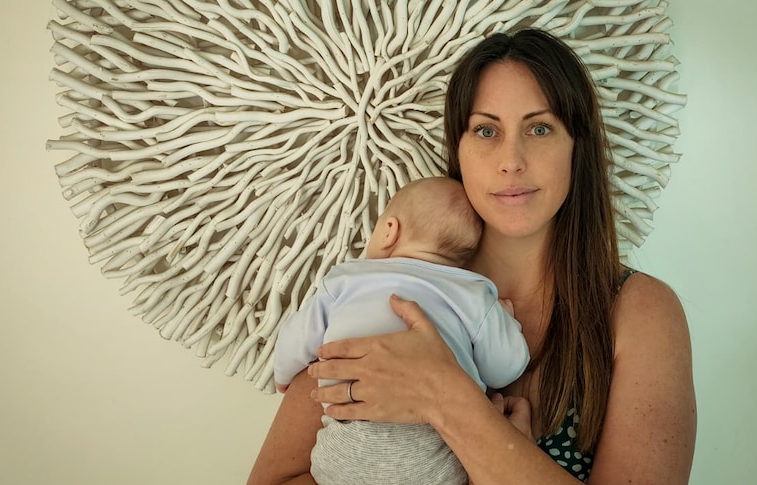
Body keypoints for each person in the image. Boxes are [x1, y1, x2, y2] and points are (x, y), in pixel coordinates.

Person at [249, 28, 696, 485]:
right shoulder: (388, 288)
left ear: (576, 146)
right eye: (486, 130)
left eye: (539, 128)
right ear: (458, 150)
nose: (511, 160)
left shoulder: (640, 312)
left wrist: (447, 399)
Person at [273, 176, 530, 485]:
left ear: (389, 230)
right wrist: (505, 321)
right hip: (431, 452)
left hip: (348, 445)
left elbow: (297, 337)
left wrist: (282, 375)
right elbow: (504, 370)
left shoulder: (345, 280)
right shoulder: (473, 295)